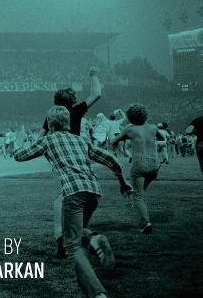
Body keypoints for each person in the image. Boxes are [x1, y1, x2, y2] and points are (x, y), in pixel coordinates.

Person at [14, 105, 132, 298]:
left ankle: (98, 293)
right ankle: (93, 238)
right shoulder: (80, 140)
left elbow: (20, 156)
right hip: (93, 191)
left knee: (73, 246)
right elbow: (110, 159)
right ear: (68, 123)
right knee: (77, 233)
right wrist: (123, 182)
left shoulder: (48, 140)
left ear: (50, 125)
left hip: (72, 191)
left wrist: (21, 141)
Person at [40, 66, 102, 258]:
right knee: (80, 195)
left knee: (60, 196)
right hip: (78, 155)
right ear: (72, 101)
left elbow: (40, 137)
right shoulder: (75, 111)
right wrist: (93, 75)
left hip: (60, 158)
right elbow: (97, 94)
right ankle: (80, 233)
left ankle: (60, 236)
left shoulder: (51, 116)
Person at [112, 104, 164, 234]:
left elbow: (114, 140)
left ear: (130, 117)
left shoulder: (130, 130)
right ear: (145, 115)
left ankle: (146, 223)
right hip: (154, 164)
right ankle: (136, 201)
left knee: (138, 195)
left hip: (140, 164)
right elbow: (162, 138)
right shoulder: (153, 127)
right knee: (141, 192)